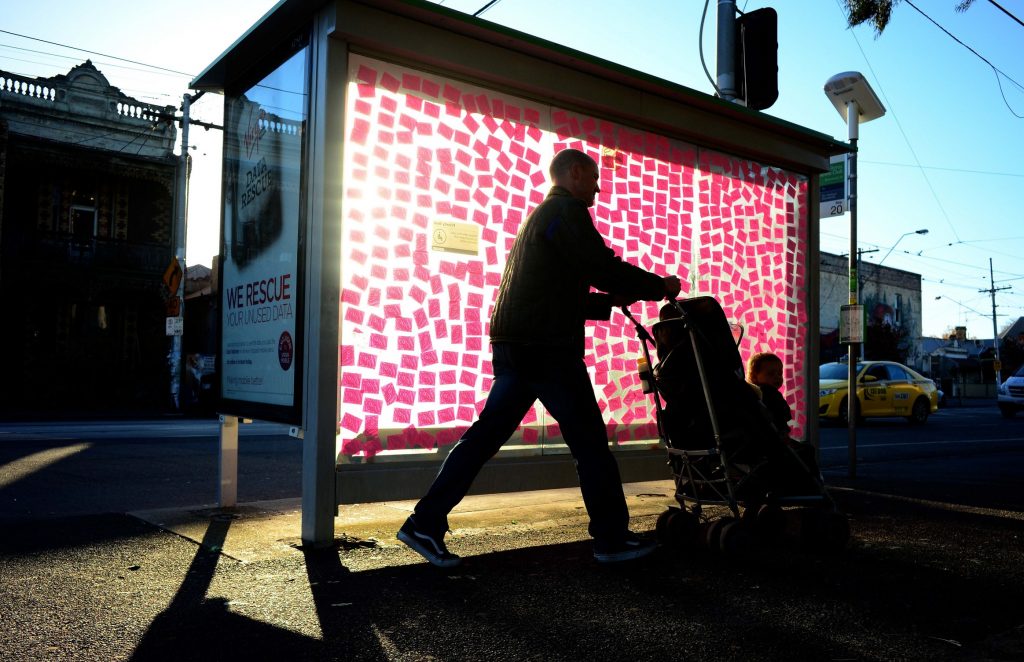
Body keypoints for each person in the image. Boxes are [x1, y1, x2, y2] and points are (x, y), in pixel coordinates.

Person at [398, 148, 681, 567]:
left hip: (516, 344)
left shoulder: (540, 217)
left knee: (483, 438)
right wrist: (660, 286)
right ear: (576, 171)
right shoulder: (566, 211)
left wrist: (606, 303)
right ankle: (611, 538)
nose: (599, 188)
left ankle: (425, 522)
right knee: (589, 443)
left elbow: (555, 290)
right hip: (547, 348)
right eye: (595, 178)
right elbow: (602, 266)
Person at [746, 352, 792, 437]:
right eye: (770, 374)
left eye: (779, 373)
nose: (777, 377)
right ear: (754, 376)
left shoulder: (751, 393)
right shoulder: (771, 393)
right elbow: (784, 414)